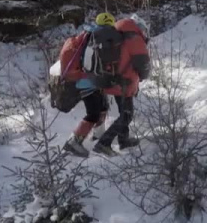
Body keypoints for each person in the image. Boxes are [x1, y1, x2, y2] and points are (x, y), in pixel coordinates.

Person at [62, 13, 150, 157]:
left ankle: (119, 139)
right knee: (118, 114)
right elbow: (141, 61)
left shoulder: (101, 36)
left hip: (95, 79)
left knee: (103, 110)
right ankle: (99, 142)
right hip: (98, 81)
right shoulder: (125, 37)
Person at [92, 14, 151, 156]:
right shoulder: (134, 37)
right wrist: (143, 76)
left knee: (123, 112)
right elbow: (143, 62)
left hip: (113, 80)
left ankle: (123, 140)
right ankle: (103, 143)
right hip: (125, 82)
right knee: (126, 115)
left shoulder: (116, 33)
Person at [61, 12, 116, 158]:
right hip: (89, 81)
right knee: (93, 114)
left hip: (87, 79)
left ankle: (98, 136)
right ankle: (73, 142)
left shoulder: (88, 35)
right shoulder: (98, 37)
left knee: (103, 107)